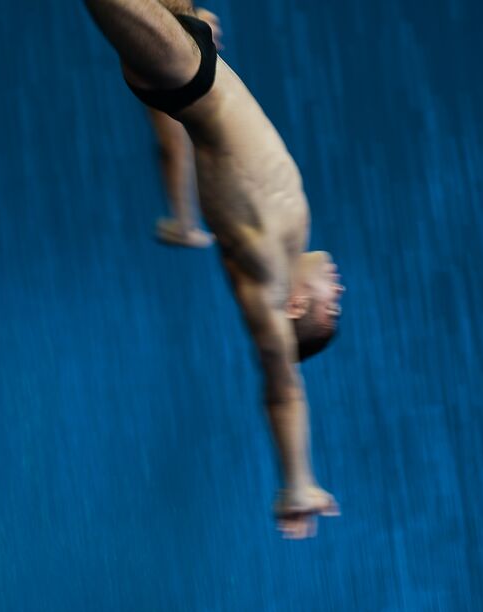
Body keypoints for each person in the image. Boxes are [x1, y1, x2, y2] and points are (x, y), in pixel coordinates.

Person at [84, 0, 344, 539]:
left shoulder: (268, 282)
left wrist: (297, 480)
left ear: (296, 304)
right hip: (194, 55)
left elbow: (282, 386)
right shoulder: (292, 235)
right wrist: (182, 219)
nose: (339, 288)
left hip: (185, 74)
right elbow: (180, 143)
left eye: (331, 303)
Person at [149, 8, 220, 249]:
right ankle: (185, 223)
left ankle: (185, 223)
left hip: (161, 42)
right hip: (160, 44)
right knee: (176, 143)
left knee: (176, 143)